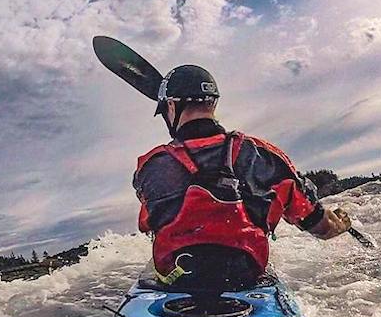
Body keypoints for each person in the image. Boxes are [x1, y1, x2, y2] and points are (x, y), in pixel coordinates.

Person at [133, 65, 352, 291]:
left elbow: (148, 223)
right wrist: (339, 224)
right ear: (213, 104)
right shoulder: (265, 156)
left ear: (171, 106)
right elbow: (318, 225)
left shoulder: (150, 166)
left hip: (178, 280)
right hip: (245, 278)